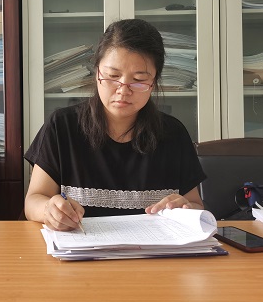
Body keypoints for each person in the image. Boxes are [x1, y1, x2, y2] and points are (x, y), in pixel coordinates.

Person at [24, 18, 206, 231]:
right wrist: (49, 209)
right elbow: (34, 200)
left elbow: (195, 205)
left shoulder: (173, 134)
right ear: (97, 73)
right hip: (82, 248)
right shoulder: (62, 126)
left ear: (153, 83)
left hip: (154, 250)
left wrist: (184, 208)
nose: (123, 90)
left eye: (139, 80)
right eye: (112, 76)